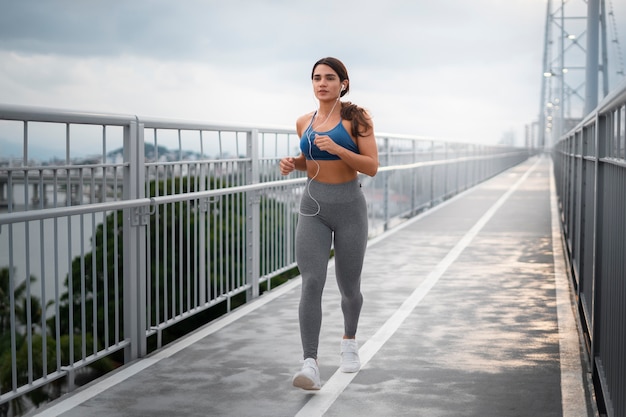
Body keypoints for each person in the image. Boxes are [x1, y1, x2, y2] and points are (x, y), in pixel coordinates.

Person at [279, 57, 379, 390]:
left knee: (349, 287)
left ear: (343, 84)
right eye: (317, 78)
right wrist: (294, 164)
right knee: (311, 281)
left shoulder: (357, 119)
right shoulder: (303, 122)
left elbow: (371, 166)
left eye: (330, 78)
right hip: (313, 207)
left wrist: (337, 148)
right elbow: (310, 163)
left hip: (350, 208)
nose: (322, 83)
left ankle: (349, 341)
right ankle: (310, 364)